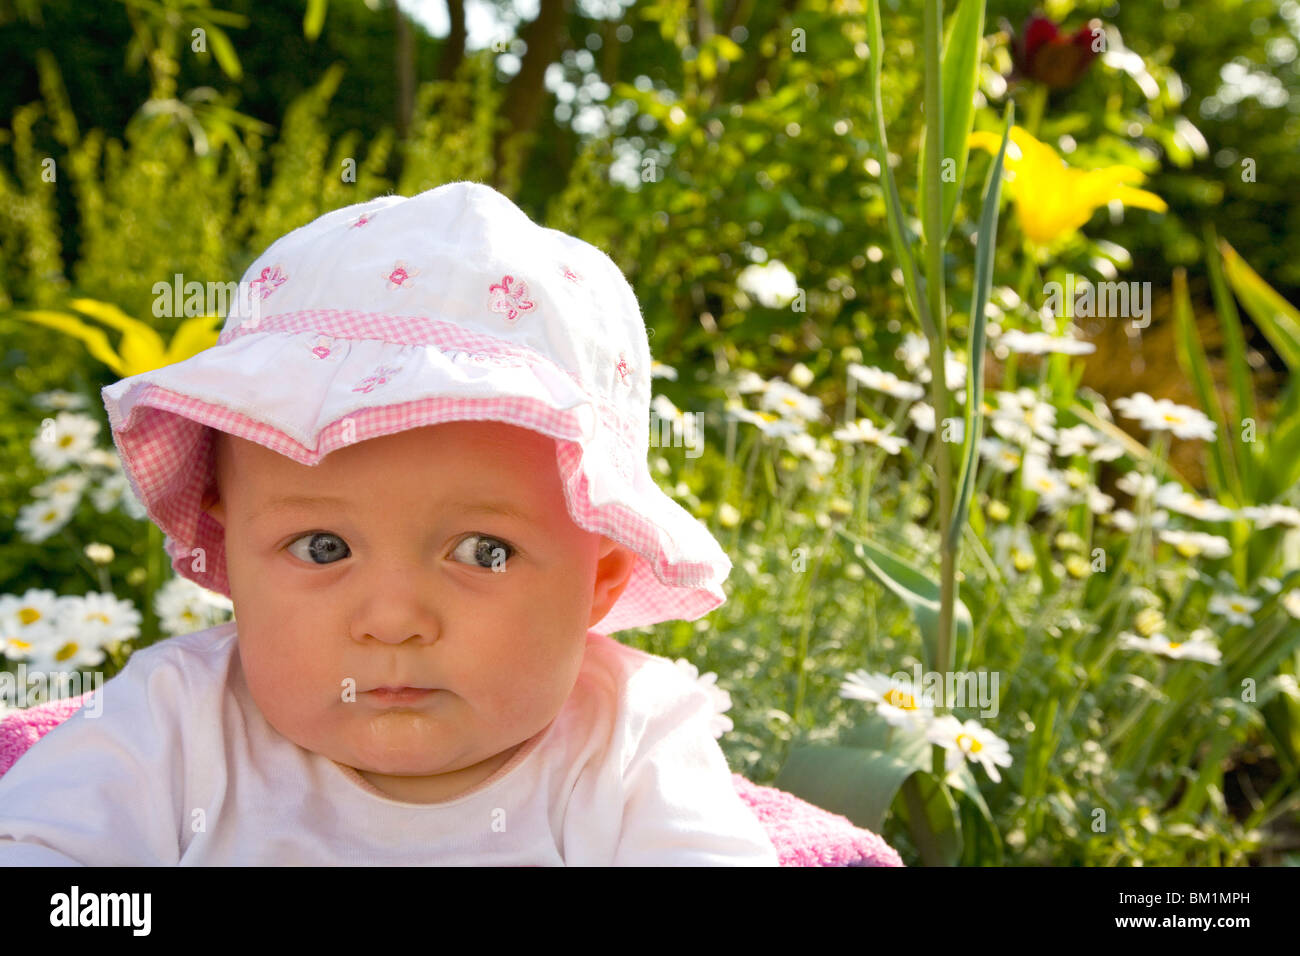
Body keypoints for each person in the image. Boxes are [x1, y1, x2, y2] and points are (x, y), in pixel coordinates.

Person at [0, 181, 779, 865]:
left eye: (484, 551)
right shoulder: (174, 723)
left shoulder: (626, 745)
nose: (393, 620)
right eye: (322, 547)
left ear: (600, 578)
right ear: (229, 546)